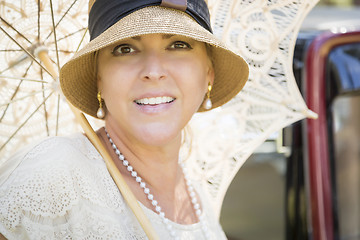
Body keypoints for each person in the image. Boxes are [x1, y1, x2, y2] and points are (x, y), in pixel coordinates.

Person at [0, 0, 249, 239]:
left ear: (209, 73)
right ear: (99, 78)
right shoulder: (49, 177)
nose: (153, 72)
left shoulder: (196, 196)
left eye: (178, 44)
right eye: (125, 48)